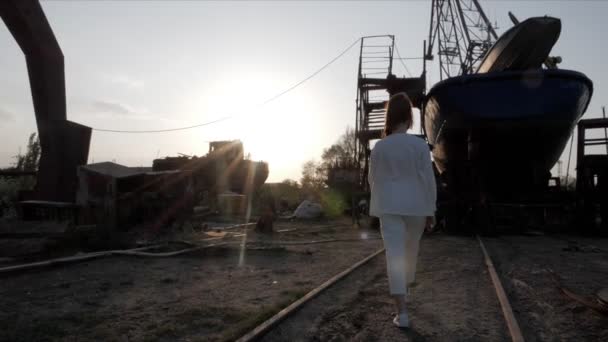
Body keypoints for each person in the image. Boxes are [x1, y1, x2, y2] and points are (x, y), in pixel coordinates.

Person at [368, 92, 437, 328]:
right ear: (409, 117)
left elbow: (372, 180)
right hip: (416, 207)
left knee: (394, 256)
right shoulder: (419, 146)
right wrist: (431, 210)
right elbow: (429, 181)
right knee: (410, 253)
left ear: (389, 117)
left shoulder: (379, 148)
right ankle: (405, 292)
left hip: (389, 206)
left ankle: (402, 313)